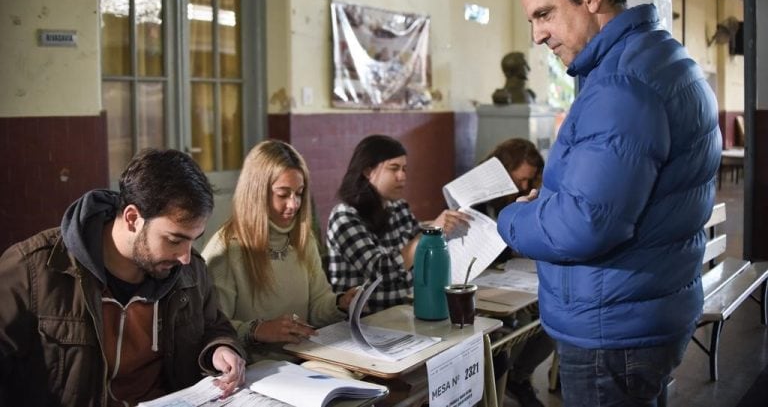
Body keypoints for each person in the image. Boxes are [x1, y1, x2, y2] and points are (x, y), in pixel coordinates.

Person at [496, 0, 721, 407]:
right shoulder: (661, 58)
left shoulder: (623, 82)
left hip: (612, 329)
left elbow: (586, 223)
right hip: (643, 310)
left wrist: (511, 219)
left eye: (545, 15)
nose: (538, 36)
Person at [0, 149, 246, 407]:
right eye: (175, 239)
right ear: (132, 218)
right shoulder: (32, 271)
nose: (185, 257)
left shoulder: (190, 271)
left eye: (194, 239)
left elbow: (214, 326)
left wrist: (219, 349)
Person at [202, 140, 358, 363]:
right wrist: (258, 330)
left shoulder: (303, 239)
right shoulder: (226, 249)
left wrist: (340, 303)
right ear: (257, 193)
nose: (293, 204)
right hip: (254, 375)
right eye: (283, 194)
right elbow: (212, 330)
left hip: (304, 363)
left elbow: (317, 306)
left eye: (299, 193)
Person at [326, 134, 470, 313]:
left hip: (407, 310)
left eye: (404, 169)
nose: (402, 176)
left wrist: (447, 228)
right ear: (367, 171)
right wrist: (431, 232)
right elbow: (382, 273)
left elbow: (419, 252)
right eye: (393, 168)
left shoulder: (398, 207)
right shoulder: (344, 217)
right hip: (368, 320)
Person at [479, 138, 553, 407]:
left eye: (529, 180)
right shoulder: (476, 197)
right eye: (519, 179)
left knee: (551, 317)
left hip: (510, 277)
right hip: (478, 281)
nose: (523, 187)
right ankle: (506, 381)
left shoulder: (521, 197)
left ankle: (518, 377)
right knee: (517, 327)